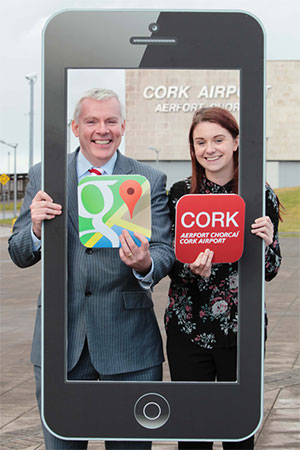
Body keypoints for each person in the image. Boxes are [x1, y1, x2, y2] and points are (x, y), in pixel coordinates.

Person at [8, 88, 175, 450]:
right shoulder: (45, 176)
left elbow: (165, 250)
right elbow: (18, 252)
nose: (103, 130)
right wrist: (35, 229)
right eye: (92, 121)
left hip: (129, 345)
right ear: (75, 127)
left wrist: (145, 263)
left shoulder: (147, 179)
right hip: (61, 343)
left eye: (111, 121)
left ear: (123, 126)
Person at [165, 107, 282, 449]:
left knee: (238, 433)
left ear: (235, 142)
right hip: (188, 331)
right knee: (192, 436)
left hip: (240, 331)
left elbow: (271, 270)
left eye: (218, 139)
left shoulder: (259, 195)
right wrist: (189, 268)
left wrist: (266, 242)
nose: (209, 149)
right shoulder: (180, 194)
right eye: (200, 142)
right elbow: (168, 260)